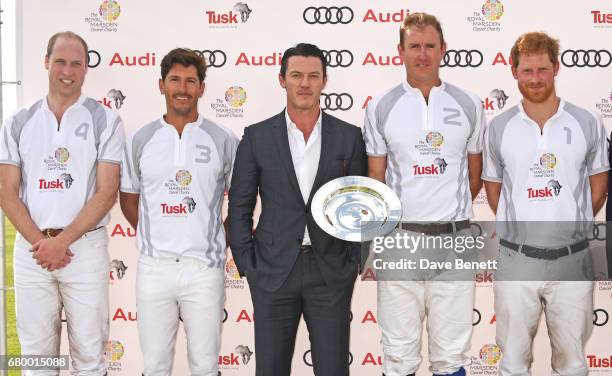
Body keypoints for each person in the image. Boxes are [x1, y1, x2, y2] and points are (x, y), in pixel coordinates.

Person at [228, 43, 367, 376]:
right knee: (271, 369)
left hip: (330, 271)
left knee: (333, 369)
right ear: (282, 80)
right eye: (296, 76)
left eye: (313, 76)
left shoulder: (349, 137)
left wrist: (352, 261)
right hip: (272, 272)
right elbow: (240, 206)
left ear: (324, 81)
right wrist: (249, 264)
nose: (305, 83)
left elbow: (361, 204)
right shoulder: (256, 137)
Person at [363, 12, 485, 376]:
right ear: (399, 51)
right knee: (399, 355)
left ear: (443, 49)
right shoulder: (380, 106)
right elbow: (376, 179)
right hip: (400, 240)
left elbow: (474, 179)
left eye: (430, 46)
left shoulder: (470, 104)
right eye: (414, 46)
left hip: (455, 241)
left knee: (451, 356)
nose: (423, 54)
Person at [482, 31, 609, 376]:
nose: (535, 79)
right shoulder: (499, 127)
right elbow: (494, 192)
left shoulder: (586, 122)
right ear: (514, 71)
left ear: (556, 68)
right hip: (516, 260)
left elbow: (599, 187)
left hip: (572, 259)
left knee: (571, 363)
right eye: (527, 71)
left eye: (542, 69)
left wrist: (570, 224)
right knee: (511, 363)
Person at [0, 31, 125, 375]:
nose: (67, 70)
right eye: (60, 61)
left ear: (86, 69)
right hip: (32, 251)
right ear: (46, 62)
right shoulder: (17, 121)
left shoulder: (106, 120)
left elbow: (106, 192)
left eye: (76, 63)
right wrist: (43, 244)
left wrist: (62, 242)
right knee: (37, 359)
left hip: (83, 250)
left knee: (89, 358)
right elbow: (6, 191)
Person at [119, 48, 238, 376]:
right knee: (155, 364)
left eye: (190, 81)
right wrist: (154, 233)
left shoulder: (224, 139)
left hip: (204, 269)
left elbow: (242, 200)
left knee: (205, 364)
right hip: (154, 269)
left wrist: (219, 238)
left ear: (202, 87)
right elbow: (129, 198)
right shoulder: (140, 139)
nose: (182, 88)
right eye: (175, 80)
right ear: (161, 85)